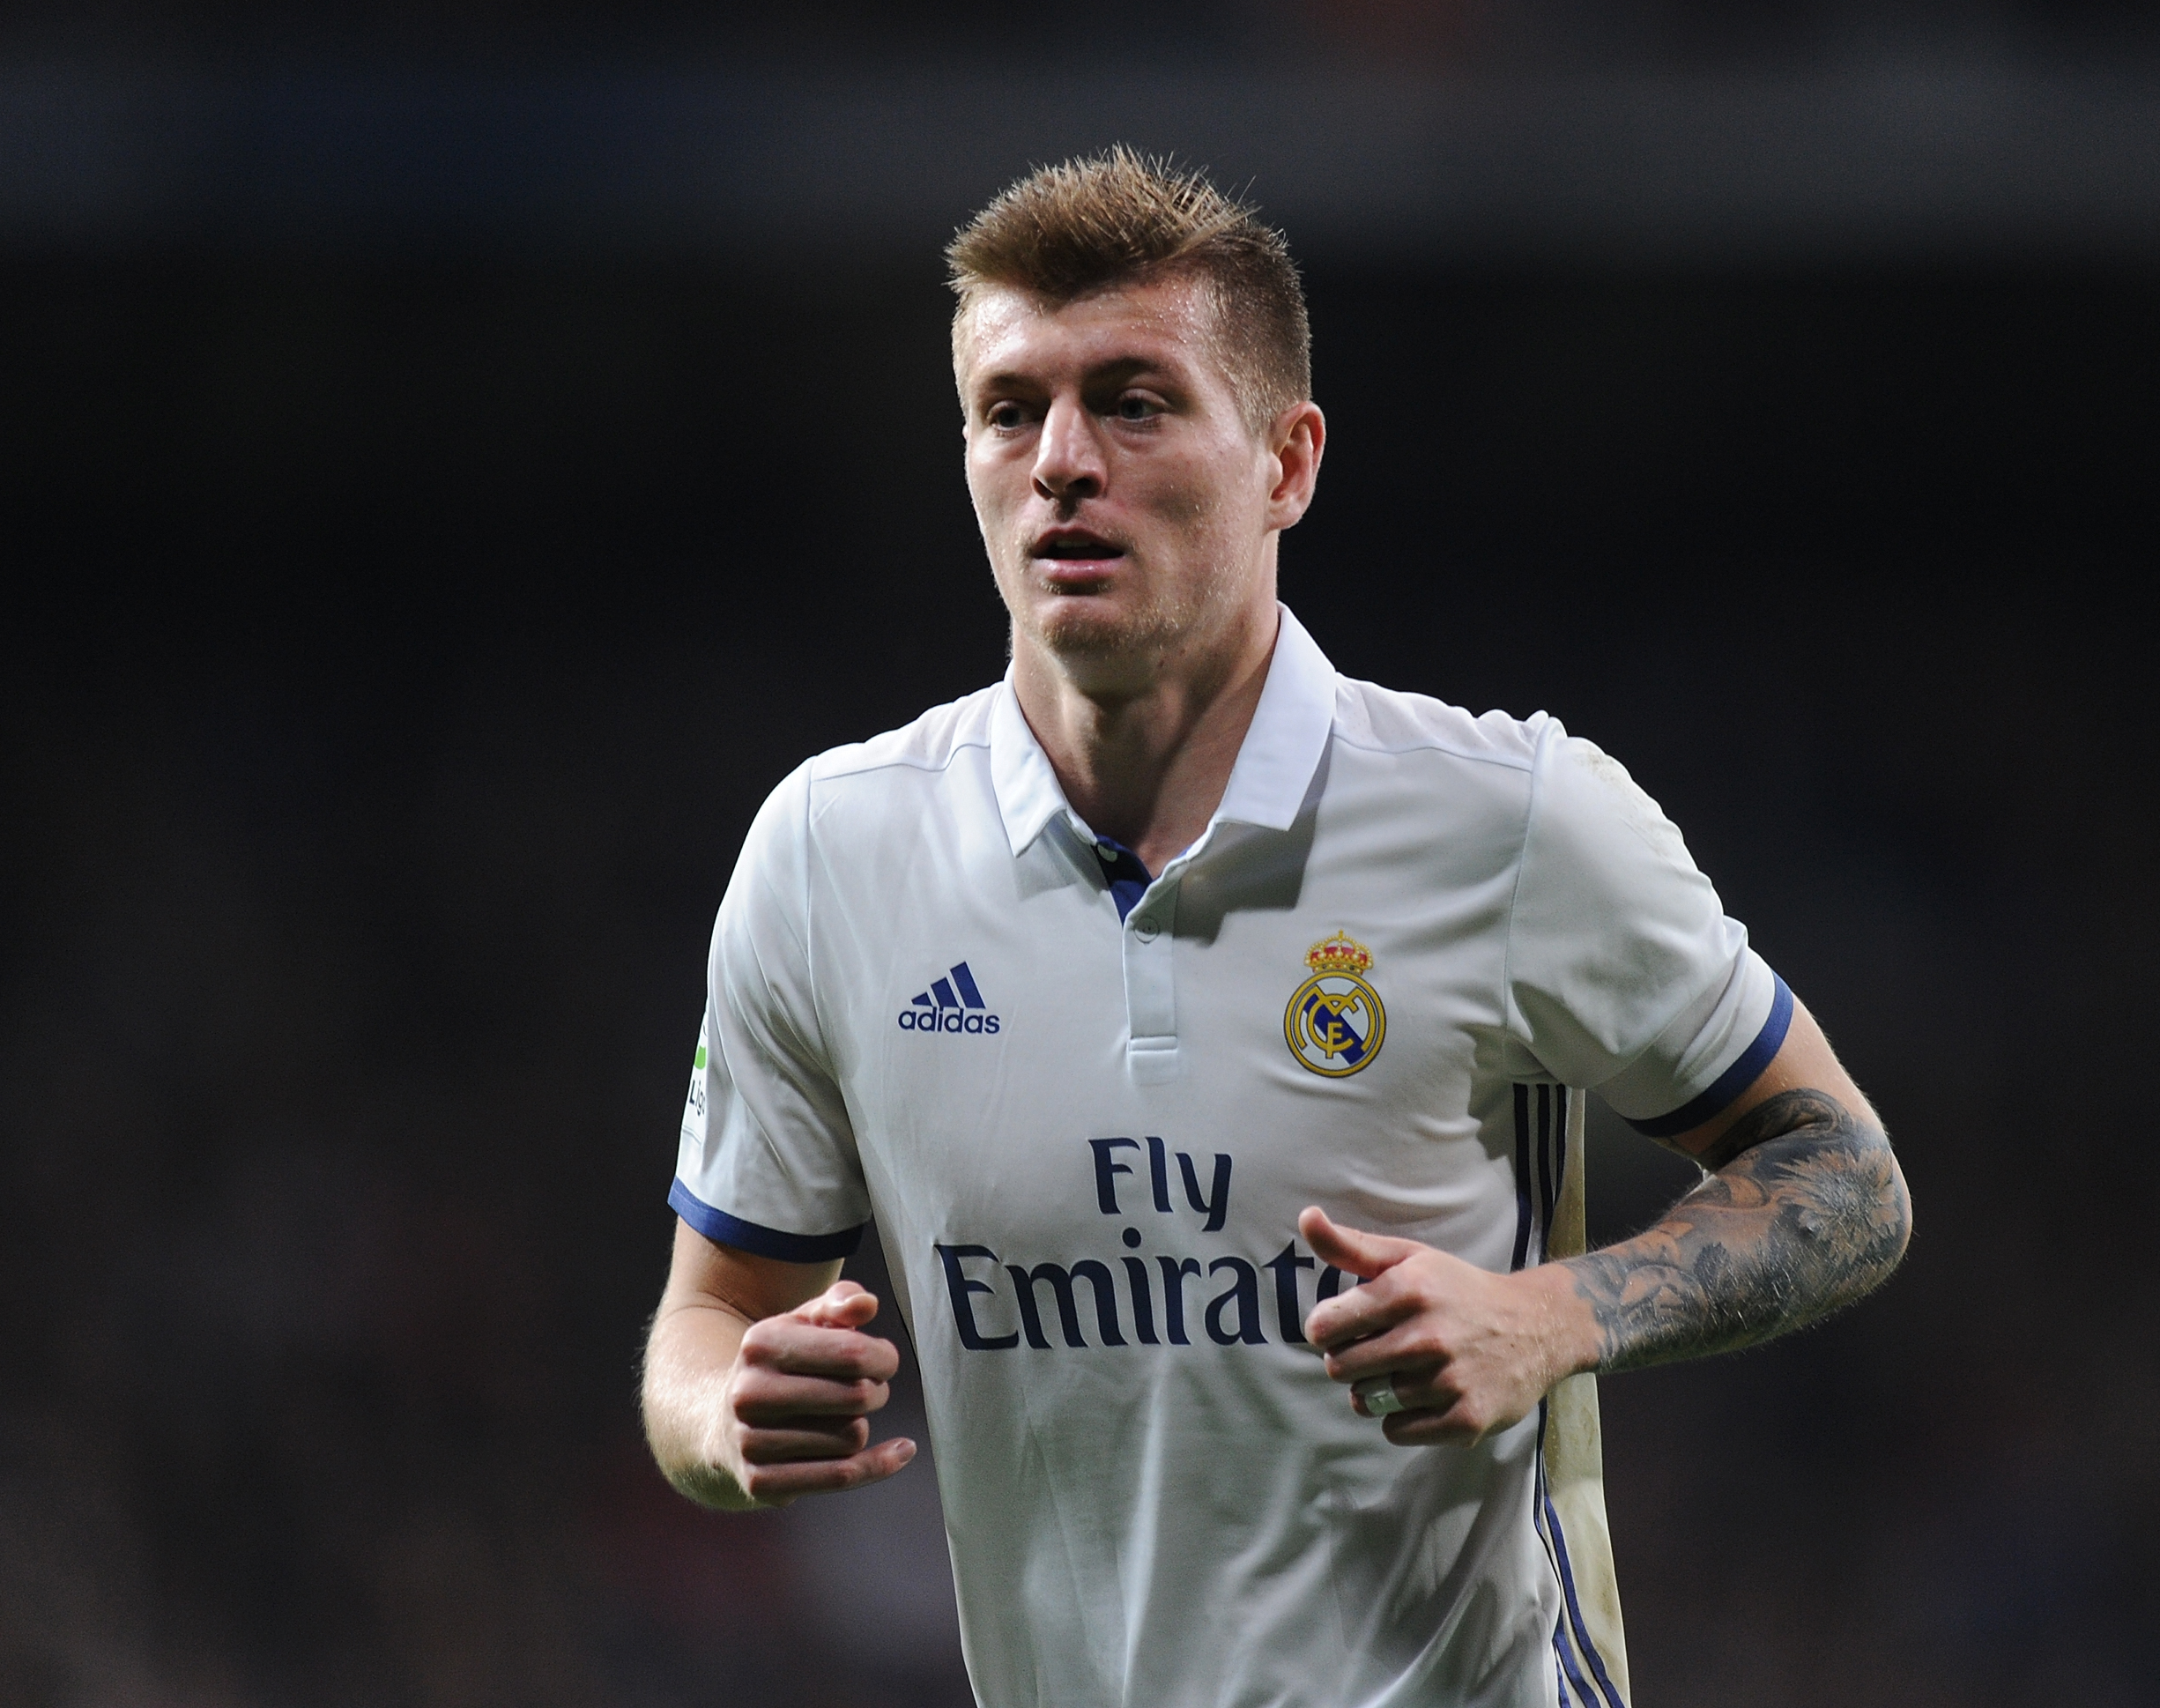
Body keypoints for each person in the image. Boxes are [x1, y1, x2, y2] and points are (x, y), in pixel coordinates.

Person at [639, 147, 1912, 1707]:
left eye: (1134, 399)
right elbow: (709, 1319)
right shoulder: (833, 855)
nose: (1059, 462)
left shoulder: (1508, 818)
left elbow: (1844, 1177)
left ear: (1288, 462)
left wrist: (1548, 1314)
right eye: (1009, 409)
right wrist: (722, 1417)